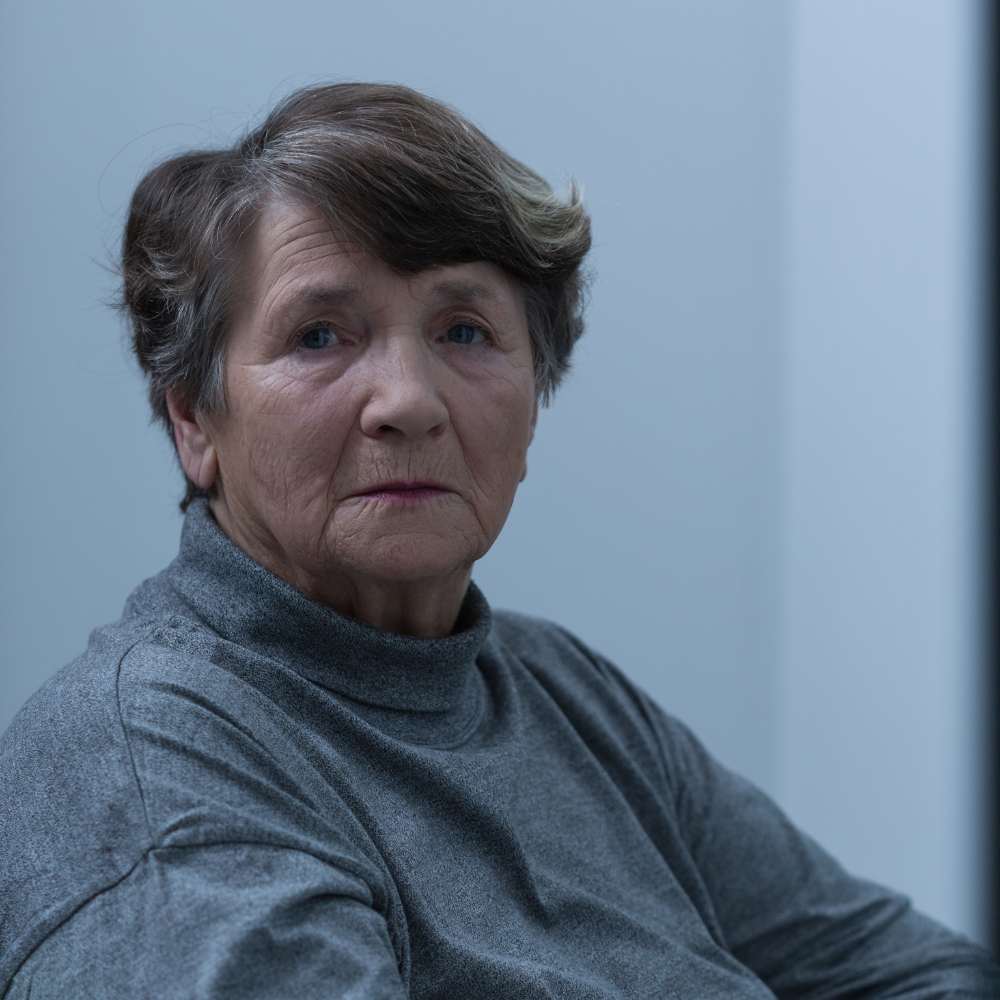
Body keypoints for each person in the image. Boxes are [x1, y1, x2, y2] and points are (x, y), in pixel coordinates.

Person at [0, 83, 996, 1000]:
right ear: (193, 422)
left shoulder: (564, 690)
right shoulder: (149, 759)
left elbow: (925, 975)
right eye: (320, 335)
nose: (409, 401)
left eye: (465, 331)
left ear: (536, 390)